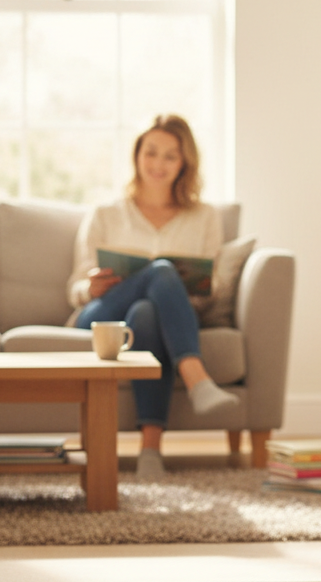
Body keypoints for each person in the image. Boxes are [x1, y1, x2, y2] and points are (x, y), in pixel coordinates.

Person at [67, 114, 237, 479]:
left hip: (159, 319)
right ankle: (197, 378)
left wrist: (197, 286)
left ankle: (150, 452)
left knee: (147, 311)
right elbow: (76, 287)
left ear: (184, 163)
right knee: (160, 270)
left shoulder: (203, 216)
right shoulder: (106, 213)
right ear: (137, 156)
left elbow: (215, 287)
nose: (158, 164)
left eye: (170, 156)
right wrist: (90, 286)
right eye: (151, 153)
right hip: (102, 317)